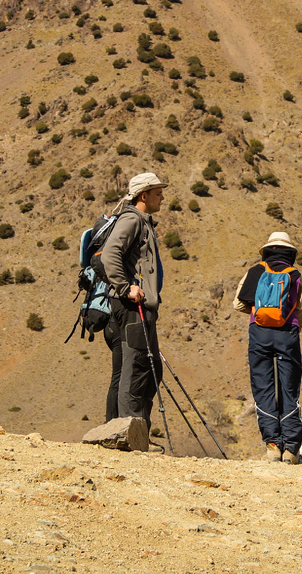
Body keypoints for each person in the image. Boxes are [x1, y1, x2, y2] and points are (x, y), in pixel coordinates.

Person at [98, 173, 166, 431]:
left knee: (150, 370)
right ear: (143, 196)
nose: (162, 197)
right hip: (131, 307)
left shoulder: (142, 221)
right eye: (157, 193)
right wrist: (126, 289)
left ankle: (138, 431)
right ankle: (129, 432)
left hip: (143, 308)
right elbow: (110, 254)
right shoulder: (131, 219)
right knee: (136, 368)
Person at [233, 231, 302, 463]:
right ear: (289, 252)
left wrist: (259, 314)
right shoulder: (295, 274)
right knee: (289, 388)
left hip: (259, 333)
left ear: (267, 250)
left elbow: (237, 304)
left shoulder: (255, 271)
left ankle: (272, 445)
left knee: (263, 387)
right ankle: (291, 449)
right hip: (287, 335)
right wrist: (292, 326)